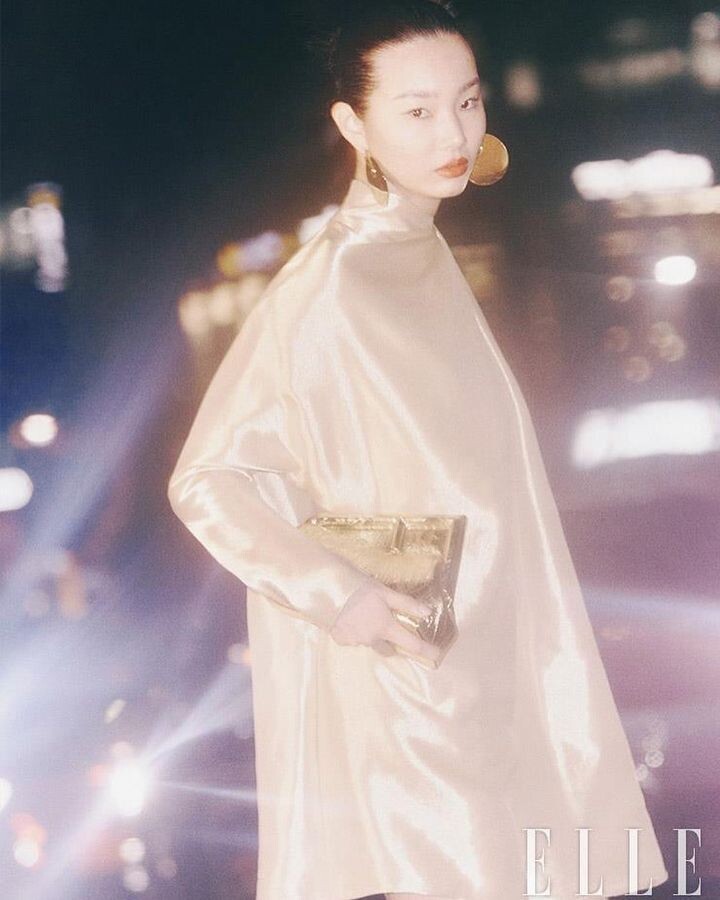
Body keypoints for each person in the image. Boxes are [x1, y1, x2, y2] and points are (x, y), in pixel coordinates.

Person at [167, 2, 670, 898]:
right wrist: (340, 596)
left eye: (467, 102)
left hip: (499, 660)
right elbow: (206, 481)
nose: (453, 133)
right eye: (417, 110)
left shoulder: (418, 255)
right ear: (352, 124)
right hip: (418, 694)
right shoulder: (328, 287)